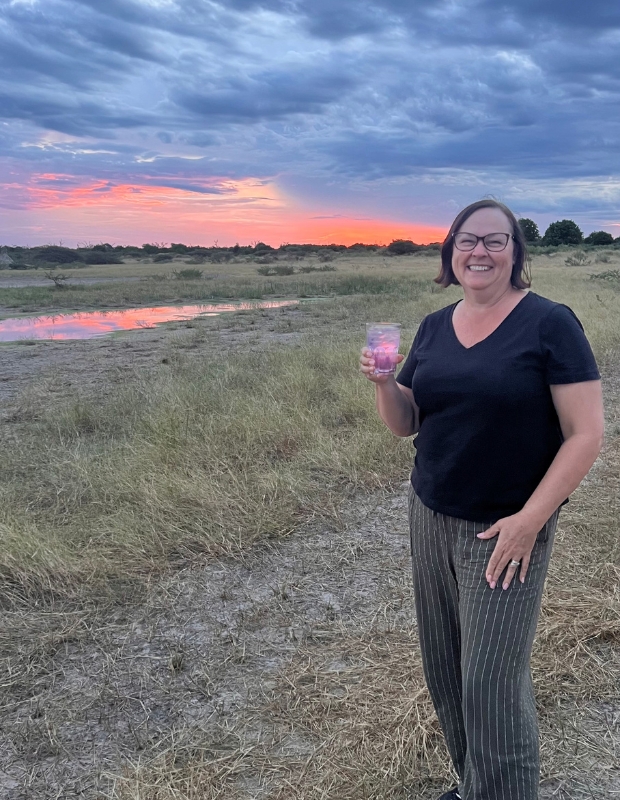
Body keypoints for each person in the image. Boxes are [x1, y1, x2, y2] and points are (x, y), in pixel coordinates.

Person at [360, 199, 604, 800]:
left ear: (517, 253)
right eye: (468, 241)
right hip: (430, 514)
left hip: (504, 529)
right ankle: (477, 784)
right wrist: (384, 383)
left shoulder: (550, 323)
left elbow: (587, 434)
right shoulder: (435, 327)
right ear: (450, 252)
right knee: (445, 668)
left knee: (492, 681)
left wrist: (529, 522)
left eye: (496, 241)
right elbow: (406, 423)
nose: (480, 252)